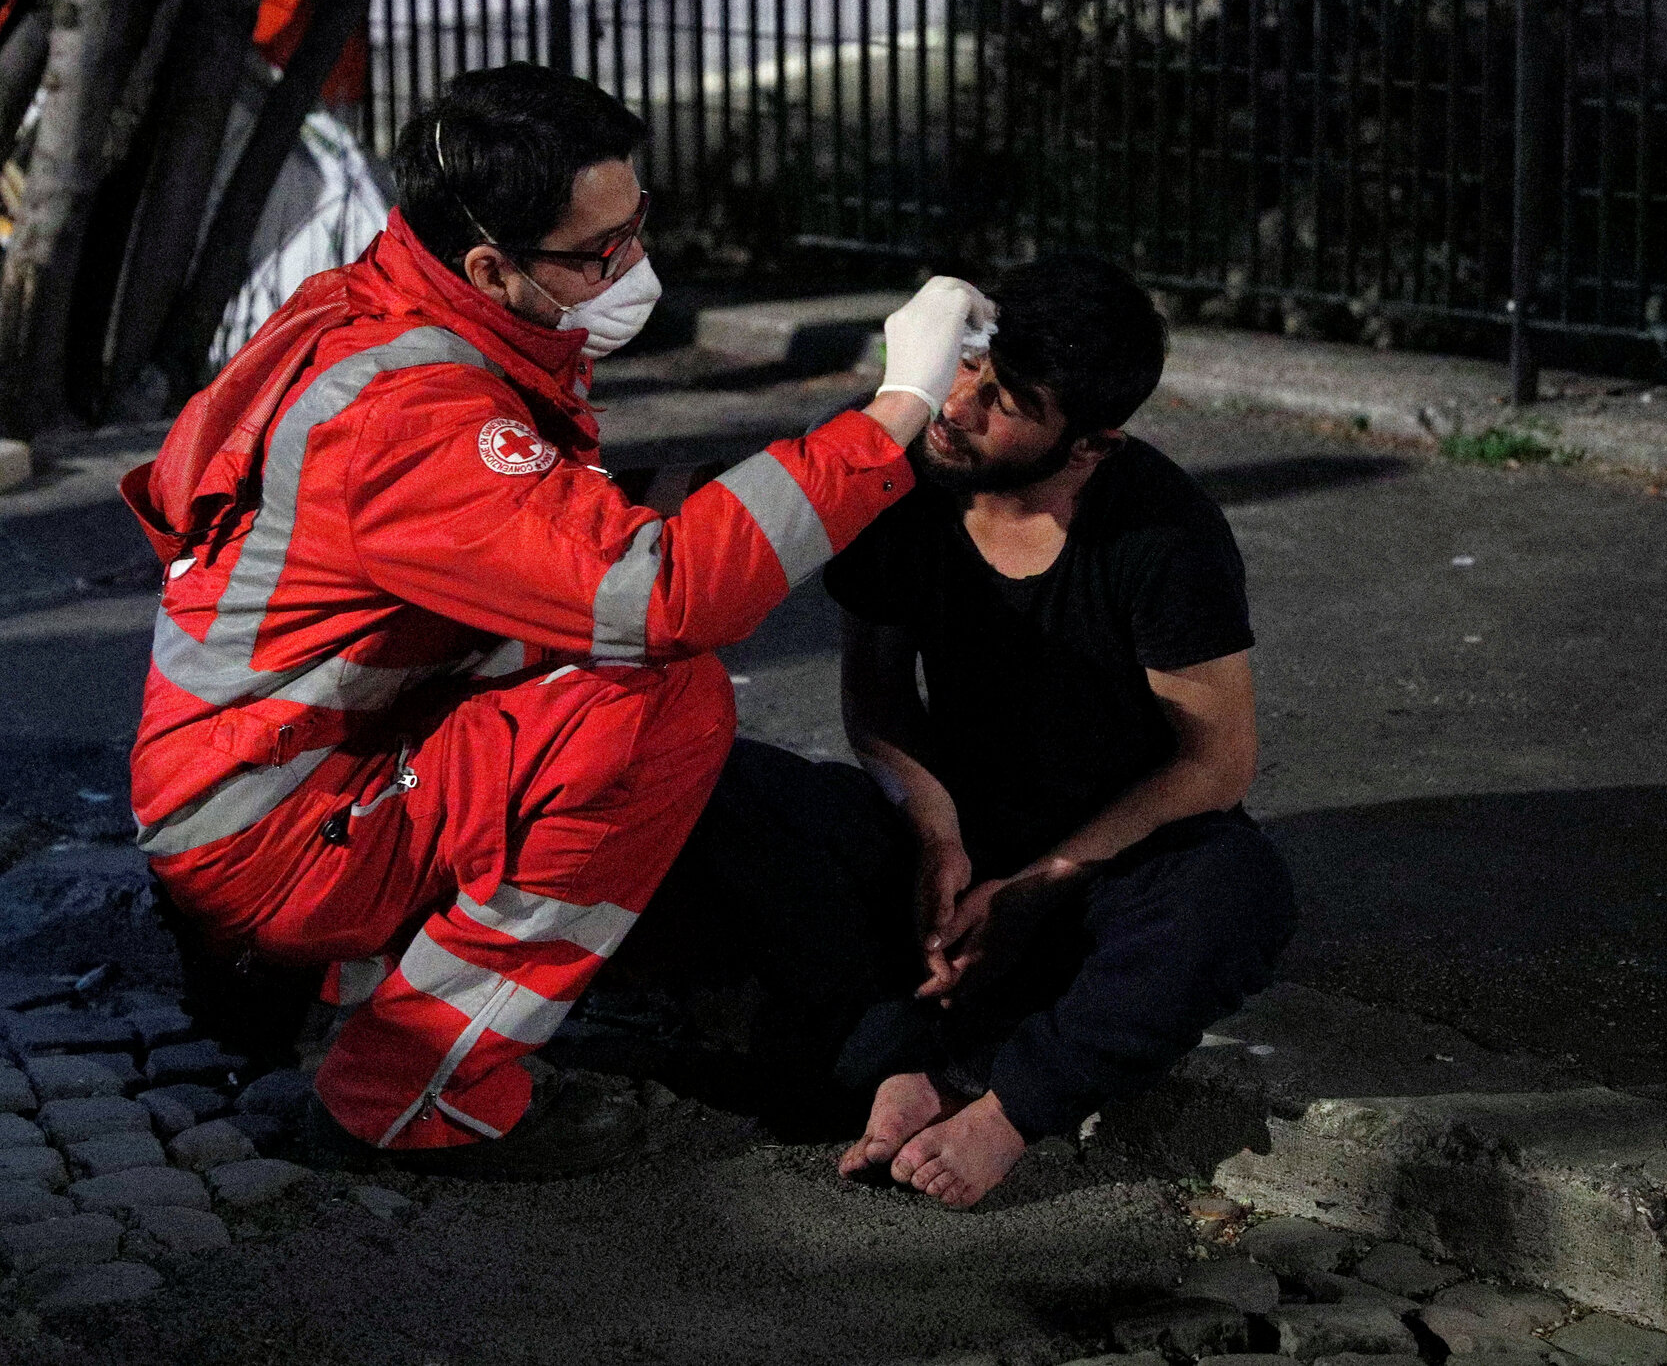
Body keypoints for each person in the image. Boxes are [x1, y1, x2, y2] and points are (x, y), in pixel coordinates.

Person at [119, 63, 991, 1181]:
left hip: (278, 772)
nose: (631, 267)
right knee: (658, 699)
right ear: (490, 263)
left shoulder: (386, 304)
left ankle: (316, 976)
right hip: (278, 824)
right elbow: (660, 590)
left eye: (636, 226)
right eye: (598, 253)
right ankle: (409, 1087)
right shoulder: (407, 410)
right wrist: (895, 408)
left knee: (645, 709)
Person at [653, 255, 1295, 1207]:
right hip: (955, 836)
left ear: (1091, 442)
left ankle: (1003, 1104)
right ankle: (905, 1060)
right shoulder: (908, 479)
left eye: (1007, 398)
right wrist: (935, 828)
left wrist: (1041, 883)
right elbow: (875, 693)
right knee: (700, 777)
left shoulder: (1162, 532)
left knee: (1236, 891)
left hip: (1110, 852)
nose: (957, 402)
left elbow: (1216, 762)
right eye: (966, 366)